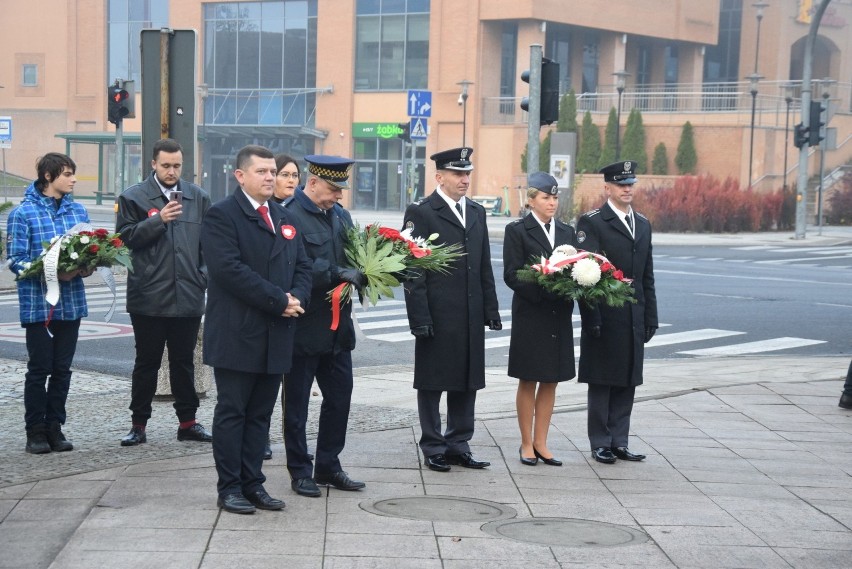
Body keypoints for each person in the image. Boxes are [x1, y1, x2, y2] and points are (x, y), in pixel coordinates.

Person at [201, 144, 311, 514]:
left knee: (261, 415)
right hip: (238, 332)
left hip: (277, 333)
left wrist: (297, 297)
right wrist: (280, 300)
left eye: (273, 172)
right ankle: (229, 487)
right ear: (240, 176)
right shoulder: (222, 216)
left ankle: (254, 484)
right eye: (262, 172)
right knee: (233, 412)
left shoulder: (283, 215)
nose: (270, 177)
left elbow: (303, 265)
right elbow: (230, 271)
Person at [402, 147, 501, 473]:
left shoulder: (476, 211)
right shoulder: (421, 211)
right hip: (438, 313)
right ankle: (433, 445)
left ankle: (459, 443)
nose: (464, 179)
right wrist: (419, 318)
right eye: (458, 174)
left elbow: (483, 262)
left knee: (467, 380)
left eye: (467, 173)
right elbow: (413, 269)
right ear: (439, 176)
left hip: (470, 312)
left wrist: (491, 307)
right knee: (432, 383)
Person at [116, 138, 213, 447]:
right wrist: (159, 219)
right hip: (148, 297)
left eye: (177, 166)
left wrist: (203, 277)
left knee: (184, 363)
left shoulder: (197, 197)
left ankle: (188, 423)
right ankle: (138, 425)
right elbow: (124, 240)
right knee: (147, 363)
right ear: (153, 164)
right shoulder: (134, 197)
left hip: (188, 295)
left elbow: (210, 246)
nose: (172, 171)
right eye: (166, 165)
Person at [283, 154, 366, 497]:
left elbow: (355, 258)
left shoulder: (340, 216)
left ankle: (329, 465)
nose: (339, 196)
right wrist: (333, 273)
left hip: (338, 329)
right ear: (312, 182)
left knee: (340, 399)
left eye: (341, 189)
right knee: (297, 405)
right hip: (304, 326)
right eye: (334, 188)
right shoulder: (288, 215)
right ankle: (300, 471)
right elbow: (291, 267)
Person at [7, 153, 93, 454]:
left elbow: (91, 253)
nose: (73, 179)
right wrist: (52, 270)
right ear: (48, 176)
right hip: (38, 306)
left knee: (62, 369)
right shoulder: (23, 214)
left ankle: (56, 427)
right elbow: (15, 261)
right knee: (39, 368)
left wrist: (85, 267)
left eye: (73, 173)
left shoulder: (78, 211)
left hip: (71, 305)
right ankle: (35, 431)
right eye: (67, 174)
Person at [576, 160, 658, 464]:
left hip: (633, 315)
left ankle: (619, 440)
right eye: (621, 184)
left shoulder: (643, 223)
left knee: (627, 379)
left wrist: (651, 317)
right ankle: (600, 441)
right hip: (606, 314)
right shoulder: (593, 222)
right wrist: (592, 318)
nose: (627, 189)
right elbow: (585, 274)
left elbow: (647, 275)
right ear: (607, 187)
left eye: (630, 184)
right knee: (602, 380)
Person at [503, 172, 576, 467]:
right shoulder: (517, 230)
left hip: (559, 314)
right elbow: (512, 274)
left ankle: (542, 442)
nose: (552, 203)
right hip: (532, 314)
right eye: (546, 197)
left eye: (555, 198)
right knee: (529, 377)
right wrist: (544, 287)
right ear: (531, 200)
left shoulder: (568, 232)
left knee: (551, 379)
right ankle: (525, 443)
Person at [263, 152, 302, 461]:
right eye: (285, 174)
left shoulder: (297, 210)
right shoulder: (263, 211)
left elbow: (303, 263)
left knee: (290, 386)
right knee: (264, 382)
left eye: (294, 176)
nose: (290, 180)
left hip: (296, 309)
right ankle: (260, 436)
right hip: (267, 306)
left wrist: (296, 297)